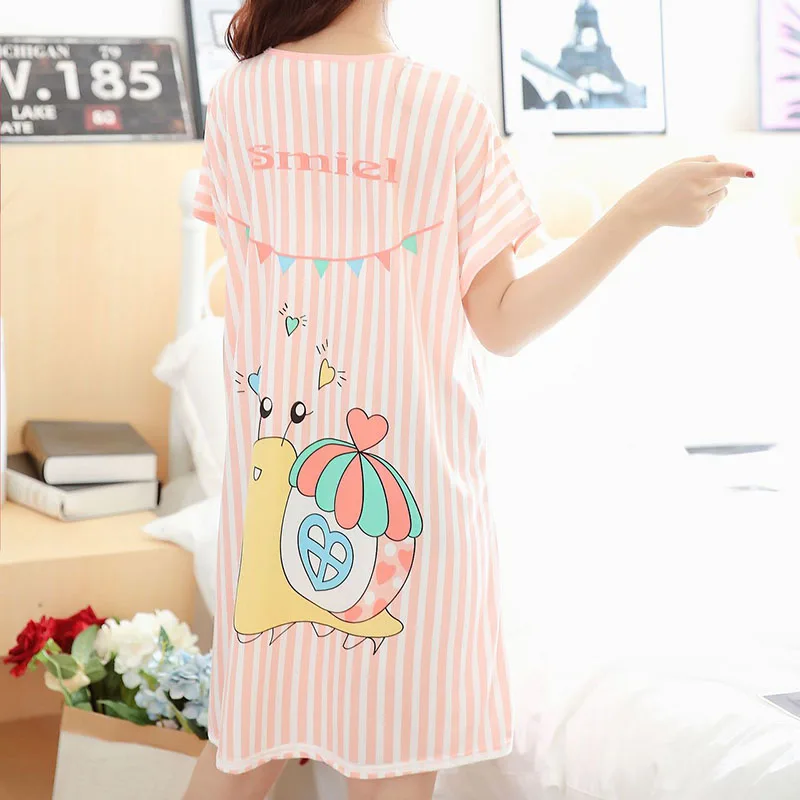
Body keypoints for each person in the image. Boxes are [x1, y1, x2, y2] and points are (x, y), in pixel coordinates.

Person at [185, 1, 754, 798]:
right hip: (412, 519)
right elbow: (502, 324)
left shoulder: (239, 99)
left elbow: (264, 296)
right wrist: (638, 213)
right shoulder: (444, 107)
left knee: (246, 749)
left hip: (274, 507)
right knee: (390, 759)